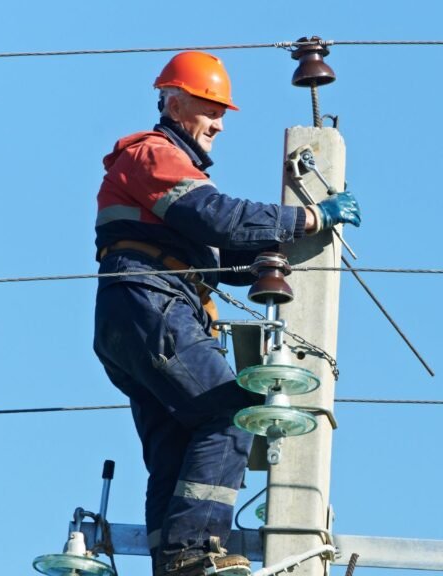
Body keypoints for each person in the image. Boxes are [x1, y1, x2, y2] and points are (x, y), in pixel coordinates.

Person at [93, 51, 360, 576]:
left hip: (138, 312)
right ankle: (194, 549)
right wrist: (306, 217)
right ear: (172, 102)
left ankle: (176, 562)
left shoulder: (160, 175)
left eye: (221, 112)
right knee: (230, 412)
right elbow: (219, 219)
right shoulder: (153, 155)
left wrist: (268, 256)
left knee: (177, 442)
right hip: (154, 305)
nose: (217, 123)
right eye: (208, 108)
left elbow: (216, 250)